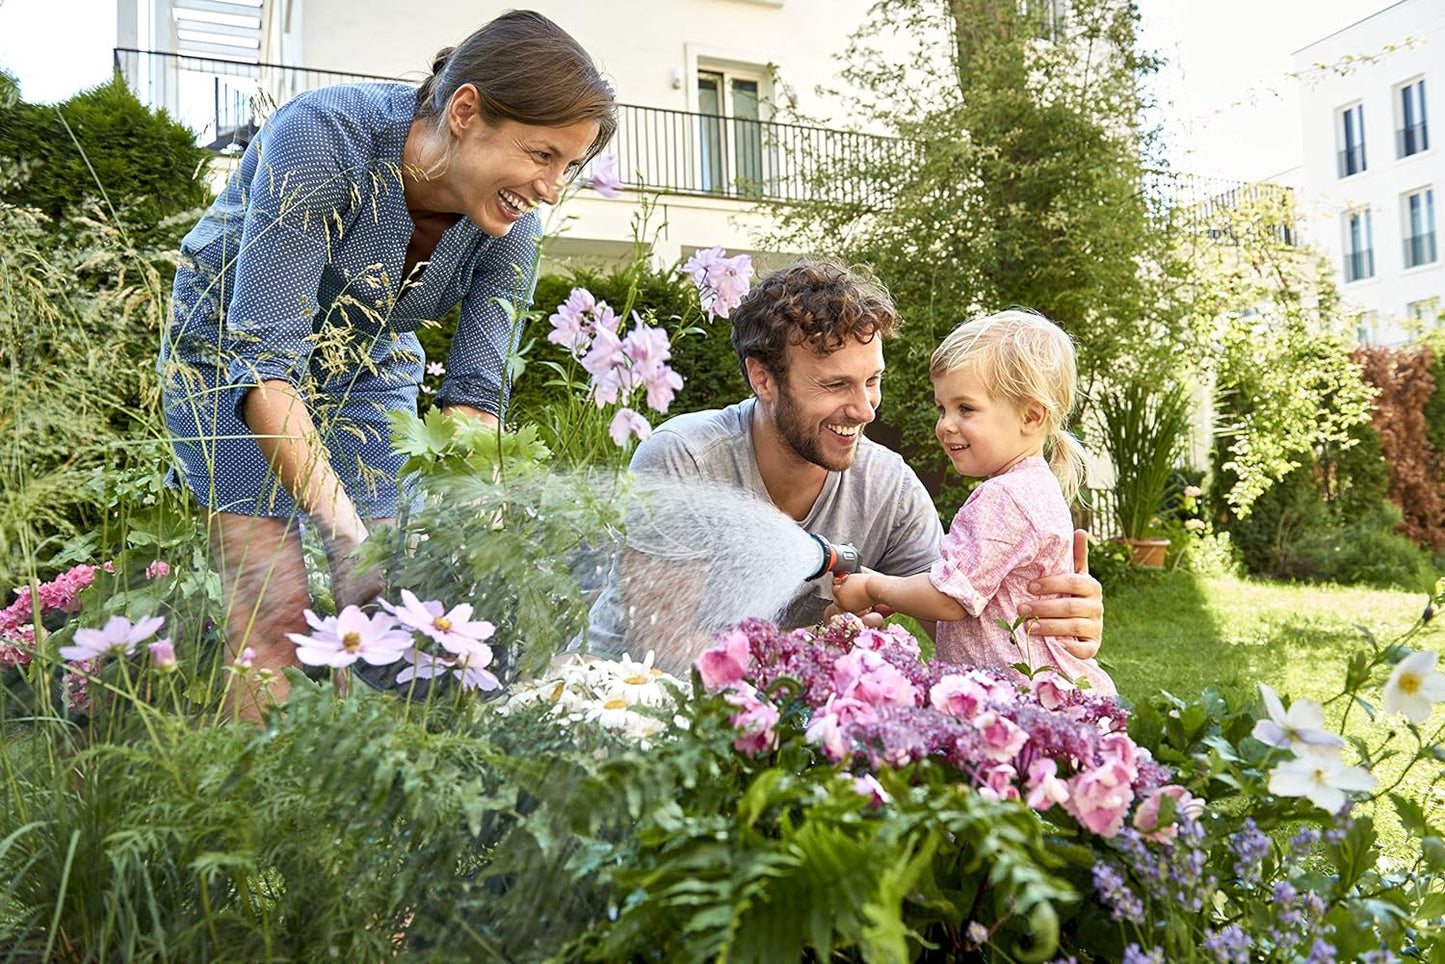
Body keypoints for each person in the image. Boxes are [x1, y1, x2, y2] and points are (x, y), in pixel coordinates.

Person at [158, 11, 616, 717]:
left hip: (369, 364)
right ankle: (250, 811)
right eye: (542, 154)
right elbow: (265, 372)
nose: (551, 186)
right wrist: (347, 537)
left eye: (568, 166)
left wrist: (478, 527)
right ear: (465, 111)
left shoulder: (512, 224)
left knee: (383, 614)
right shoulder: (323, 137)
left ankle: (355, 795)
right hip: (229, 360)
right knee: (274, 610)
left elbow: (471, 399)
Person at [584, 261, 1103, 673]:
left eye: (872, 380)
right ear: (763, 379)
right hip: (631, 717)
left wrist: (1055, 618)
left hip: (774, 727)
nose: (865, 409)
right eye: (835, 386)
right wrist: (815, 654)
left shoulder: (888, 488)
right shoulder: (685, 459)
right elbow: (665, 645)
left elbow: (955, 602)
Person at [832, 310, 1115, 695]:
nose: (945, 425)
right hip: (1047, 692)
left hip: (1020, 701)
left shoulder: (1003, 498)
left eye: (965, 408)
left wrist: (872, 587)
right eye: (942, 408)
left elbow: (949, 599)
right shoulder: (1033, 487)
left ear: (1031, 416)